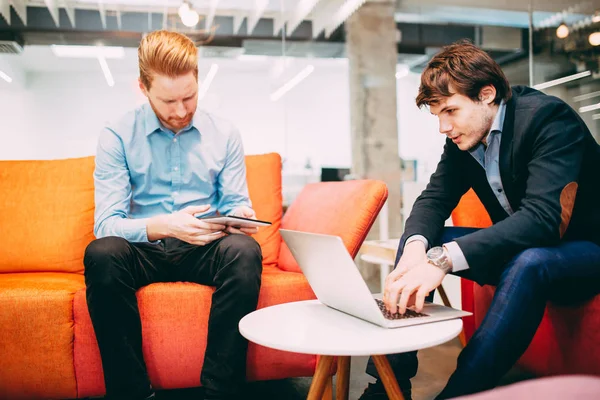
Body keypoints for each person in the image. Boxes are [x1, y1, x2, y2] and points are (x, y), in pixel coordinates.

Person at [360, 40, 600, 400]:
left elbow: (543, 220)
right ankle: (388, 384)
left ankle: (460, 393)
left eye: (451, 111)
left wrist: (442, 259)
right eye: (437, 114)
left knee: (529, 260)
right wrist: (415, 252)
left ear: (487, 95)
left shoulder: (548, 119)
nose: (444, 127)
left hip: (583, 250)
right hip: (526, 250)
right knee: (420, 239)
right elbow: (434, 200)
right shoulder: (465, 137)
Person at [84, 30, 263, 400]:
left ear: (198, 80)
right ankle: (132, 393)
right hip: (144, 250)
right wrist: (167, 225)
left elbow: (234, 202)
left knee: (245, 253)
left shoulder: (225, 133)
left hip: (202, 245)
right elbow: (106, 225)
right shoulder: (116, 135)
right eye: (168, 101)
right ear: (143, 88)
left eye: (190, 97)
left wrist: (239, 216)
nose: (180, 111)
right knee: (101, 254)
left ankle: (219, 391)